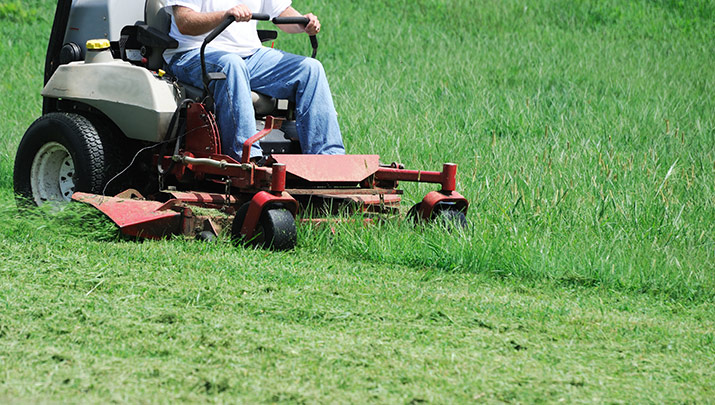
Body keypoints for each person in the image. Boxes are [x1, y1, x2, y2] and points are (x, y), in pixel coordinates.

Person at [163, 0, 345, 161]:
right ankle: (247, 158)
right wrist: (225, 15)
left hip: (249, 56)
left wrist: (303, 23)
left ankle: (329, 158)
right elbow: (184, 22)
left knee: (310, 69)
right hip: (191, 53)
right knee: (232, 64)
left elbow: (281, 10)